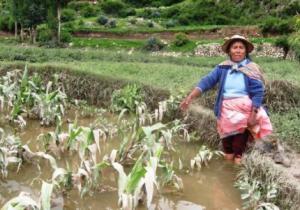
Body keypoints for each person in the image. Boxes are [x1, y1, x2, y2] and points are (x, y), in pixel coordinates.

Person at [180, 35, 273, 164]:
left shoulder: (251, 68)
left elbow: (258, 92)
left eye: (241, 47)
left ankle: (238, 162)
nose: (238, 50)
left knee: (238, 145)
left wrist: (253, 113)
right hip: (225, 108)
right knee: (227, 145)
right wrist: (190, 96)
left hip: (244, 108)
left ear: (246, 51)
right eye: (235, 47)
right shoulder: (223, 67)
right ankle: (229, 169)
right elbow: (207, 81)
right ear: (229, 51)